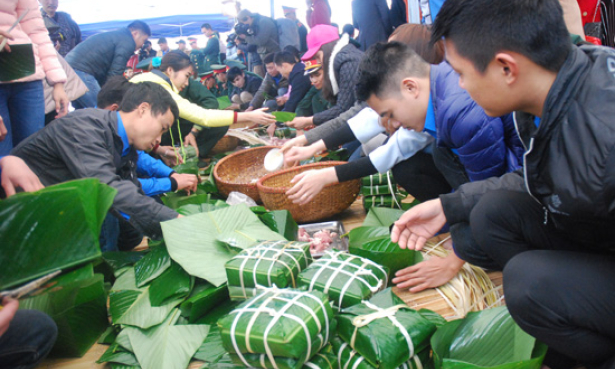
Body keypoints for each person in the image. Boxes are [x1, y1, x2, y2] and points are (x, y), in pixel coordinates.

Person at [392, 1, 615, 368]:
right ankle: (560, 326)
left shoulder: (604, 133)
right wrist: (448, 206)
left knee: (528, 283)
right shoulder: (553, 87)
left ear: (505, 67)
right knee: (493, 213)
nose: (459, 85)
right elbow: (539, 175)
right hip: (597, 233)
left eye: (460, 73)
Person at [11, 82, 182, 240]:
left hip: (49, 224)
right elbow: (108, 188)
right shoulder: (84, 127)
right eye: (162, 128)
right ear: (143, 109)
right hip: (16, 223)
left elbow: (132, 198)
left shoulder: (125, 147)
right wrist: (179, 222)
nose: (159, 139)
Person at [130, 51, 274, 133]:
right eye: (186, 76)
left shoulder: (147, 78)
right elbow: (203, 116)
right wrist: (248, 116)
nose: (187, 83)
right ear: (169, 70)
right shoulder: (160, 87)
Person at [0, 3, 69, 156]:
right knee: (3, 158)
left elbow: (37, 32)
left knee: (32, 152)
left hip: (27, 75)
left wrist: (58, 83)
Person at [286, 25, 363, 130]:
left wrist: (308, 121)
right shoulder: (345, 57)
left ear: (327, 48)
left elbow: (343, 109)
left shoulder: (347, 61)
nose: (319, 63)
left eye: (318, 56)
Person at [66, 20, 150, 109]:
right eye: (143, 40)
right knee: (102, 109)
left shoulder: (117, 36)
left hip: (69, 67)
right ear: (135, 33)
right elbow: (115, 74)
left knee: (82, 111)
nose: (142, 45)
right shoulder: (127, 42)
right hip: (81, 70)